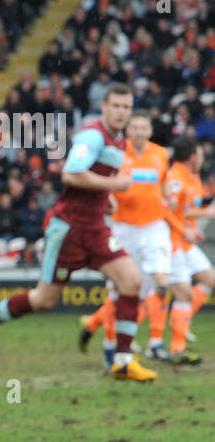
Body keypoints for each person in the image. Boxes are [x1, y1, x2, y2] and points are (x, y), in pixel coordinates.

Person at [0, 84, 158, 382]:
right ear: (104, 107)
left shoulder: (120, 141)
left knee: (131, 281)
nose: (121, 112)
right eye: (116, 106)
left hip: (95, 227)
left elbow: (97, 178)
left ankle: (122, 360)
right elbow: (71, 173)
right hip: (68, 229)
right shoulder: (93, 135)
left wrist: (108, 199)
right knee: (44, 299)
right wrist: (112, 187)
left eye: (126, 107)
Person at [76, 114, 183, 365]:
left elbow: (164, 183)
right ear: (128, 129)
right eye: (134, 127)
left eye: (143, 126)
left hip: (155, 226)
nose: (138, 131)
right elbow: (101, 180)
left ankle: (156, 342)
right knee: (121, 290)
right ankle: (110, 344)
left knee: (161, 280)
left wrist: (170, 195)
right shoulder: (116, 153)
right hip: (123, 227)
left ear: (149, 129)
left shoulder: (160, 154)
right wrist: (107, 197)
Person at [163, 138, 212, 365]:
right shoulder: (175, 179)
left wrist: (202, 215)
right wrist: (186, 230)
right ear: (193, 156)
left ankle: (180, 330)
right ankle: (177, 348)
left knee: (210, 280)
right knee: (182, 293)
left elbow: (186, 211)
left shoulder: (192, 178)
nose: (203, 158)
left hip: (186, 242)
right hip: (173, 243)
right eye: (201, 154)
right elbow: (168, 212)